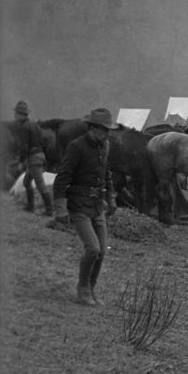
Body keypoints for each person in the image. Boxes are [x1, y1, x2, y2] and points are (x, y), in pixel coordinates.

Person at [53, 107, 118, 306]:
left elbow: (106, 174)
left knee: (102, 252)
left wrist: (112, 198)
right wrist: (61, 208)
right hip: (78, 205)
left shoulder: (105, 146)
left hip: (98, 205)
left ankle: (91, 288)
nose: (106, 133)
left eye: (108, 130)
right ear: (92, 128)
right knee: (92, 249)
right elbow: (62, 179)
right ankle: (82, 290)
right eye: (103, 129)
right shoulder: (76, 147)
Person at [10, 100, 54, 215]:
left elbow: (24, 147)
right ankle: (30, 207)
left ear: (21, 114)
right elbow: (44, 141)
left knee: (40, 185)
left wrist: (20, 162)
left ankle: (49, 210)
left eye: (16, 113)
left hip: (34, 158)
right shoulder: (35, 125)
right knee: (26, 181)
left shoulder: (23, 127)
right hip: (40, 155)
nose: (15, 115)